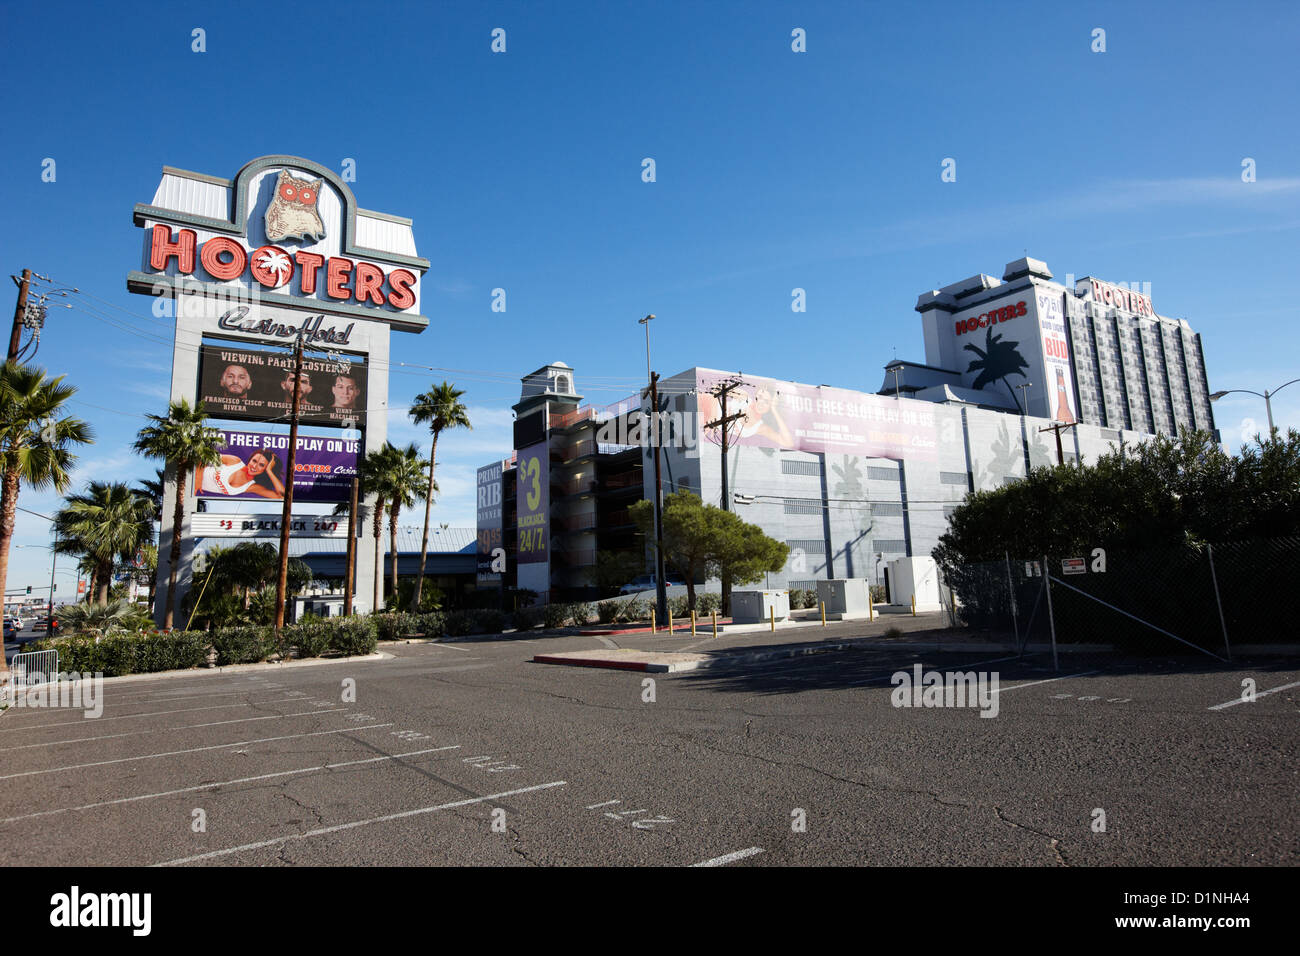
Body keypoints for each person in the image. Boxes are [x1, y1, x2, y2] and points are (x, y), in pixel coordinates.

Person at [196, 450, 286, 500]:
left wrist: (270, 471)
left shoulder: (251, 486)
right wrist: (198, 480)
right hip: (189, 474)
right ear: (250, 459)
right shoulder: (235, 461)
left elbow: (281, 496)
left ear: (265, 470)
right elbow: (203, 456)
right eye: (254, 461)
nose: (254, 466)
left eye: (261, 465)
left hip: (187, 488)